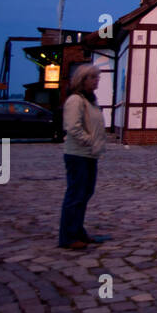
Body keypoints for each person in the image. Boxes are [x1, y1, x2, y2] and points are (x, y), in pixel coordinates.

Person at [59, 65, 107, 250]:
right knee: (76, 194)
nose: (96, 81)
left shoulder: (91, 100)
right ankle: (68, 236)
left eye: (97, 77)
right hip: (78, 154)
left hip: (89, 155)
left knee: (85, 193)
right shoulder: (75, 100)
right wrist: (90, 141)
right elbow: (72, 127)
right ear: (83, 80)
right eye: (93, 78)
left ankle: (77, 230)